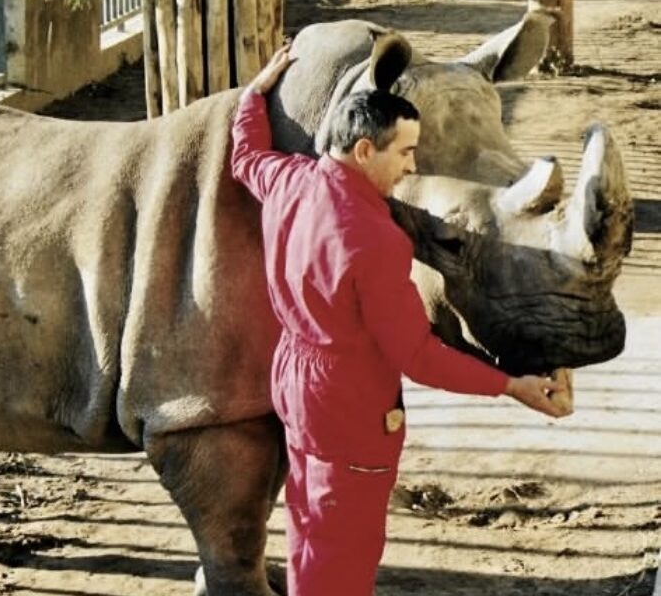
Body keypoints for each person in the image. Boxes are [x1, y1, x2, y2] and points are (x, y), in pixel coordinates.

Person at [229, 45, 571, 596]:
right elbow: (417, 355)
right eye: (406, 153)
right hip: (348, 401)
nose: (412, 166)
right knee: (345, 542)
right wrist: (509, 385)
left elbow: (245, 154)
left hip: (295, 378)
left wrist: (255, 92)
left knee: (310, 522)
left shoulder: (290, 182)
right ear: (365, 150)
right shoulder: (375, 240)